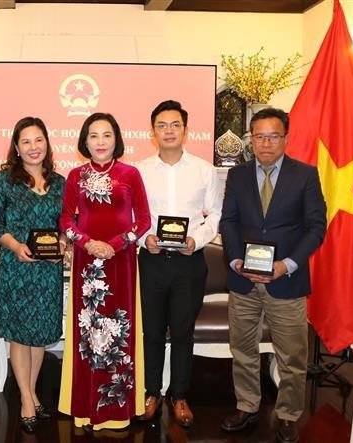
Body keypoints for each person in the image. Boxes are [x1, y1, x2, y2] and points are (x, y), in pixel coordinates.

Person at [219, 108, 326, 443]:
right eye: (259, 136)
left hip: (287, 280)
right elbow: (229, 222)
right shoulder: (237, 176)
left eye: (273, 135)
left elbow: (316, 227)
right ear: (250, 139)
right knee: (243, 348)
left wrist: (287, 264)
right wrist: (236, 260)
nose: (265, 143)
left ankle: (289, 414)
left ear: (286, 138)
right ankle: (247, 406)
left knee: (292, 354)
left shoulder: (305, 175)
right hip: (243, 280)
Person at [58, 112, 151, 430]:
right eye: (94, 135)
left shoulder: (131, 174)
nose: (100, 141)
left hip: (121, 262)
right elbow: (66, 222)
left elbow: (144, 221)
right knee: (90, 334)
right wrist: (87, 243)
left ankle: (117, 410)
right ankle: (86, 408)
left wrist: (116, 243)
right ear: (85, 140)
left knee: (118, 334)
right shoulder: (75, 176)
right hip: (88, 266)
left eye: (107, 135)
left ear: (117, 139)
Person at [136, 100, 222, 427]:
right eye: (162, 125)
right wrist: (146, 239)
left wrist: (195, 241)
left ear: (185, 129)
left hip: (189, 261)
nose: (169, 131)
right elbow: (134, 216)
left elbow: (215, 214)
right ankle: (152, 392)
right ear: (152, 131)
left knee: (184, 332)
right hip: (153, 261)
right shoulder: (140, 171)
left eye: (175, 125)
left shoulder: (203, 169)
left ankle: (180, 394)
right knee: (152, 331)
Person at [0, 116, 66, 433]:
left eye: (39, 140)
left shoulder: (60, 182)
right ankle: (26, 400)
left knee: (39, 338)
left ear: (47, 142)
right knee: (20, 335)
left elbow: (66, 227)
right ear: (16, 148)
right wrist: (16, 246)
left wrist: (62, 242)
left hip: (48, 270)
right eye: (26, 142)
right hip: (17, 268)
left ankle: (30, 392)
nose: (34, 147)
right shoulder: (3, 180)